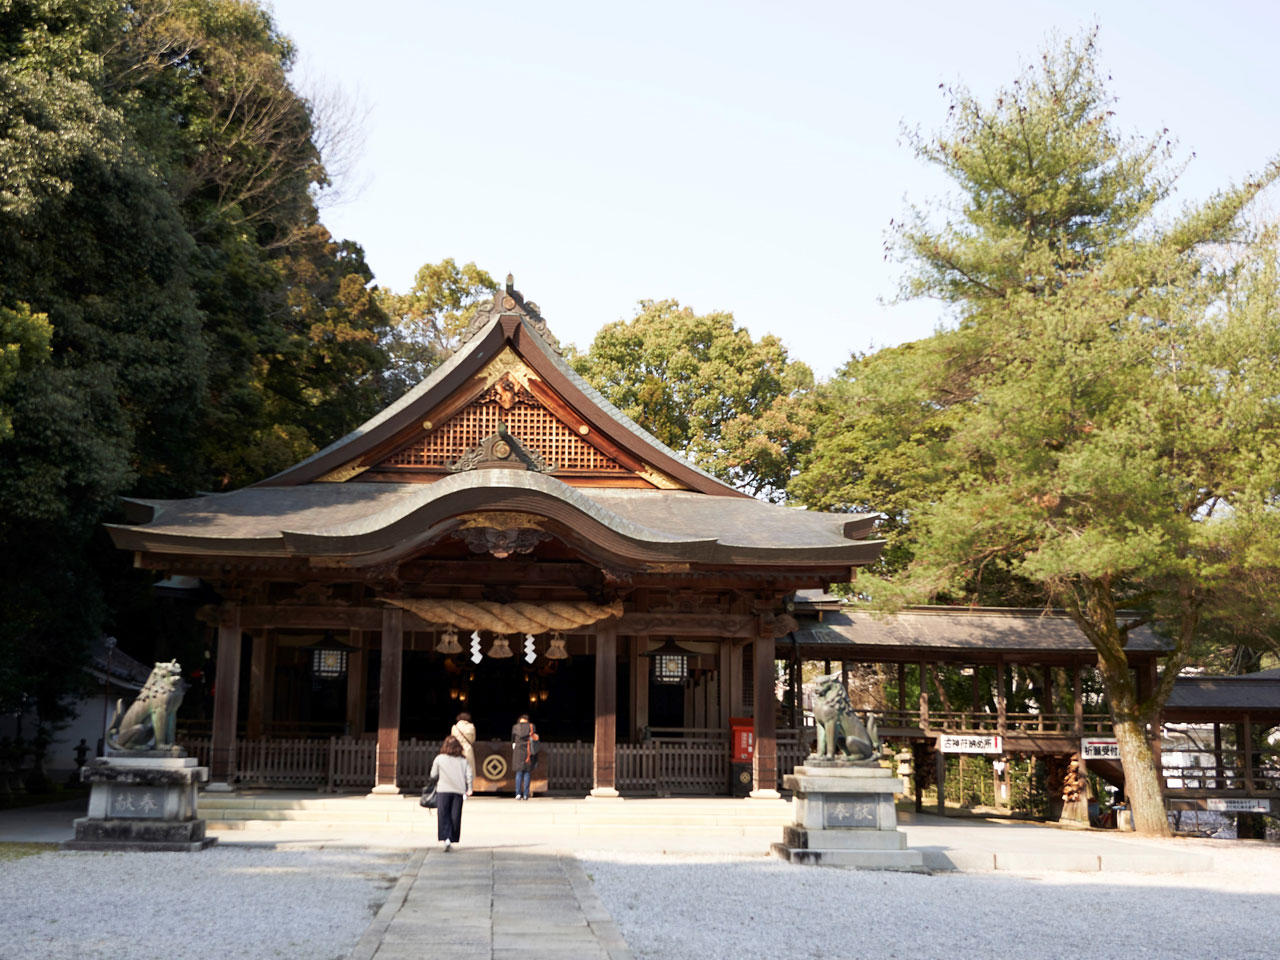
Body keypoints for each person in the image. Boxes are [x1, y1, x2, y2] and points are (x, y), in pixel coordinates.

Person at [429, 734, 473, 851]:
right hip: (458, 790)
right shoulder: (463, 760)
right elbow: (469, 775)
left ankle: (446, 838)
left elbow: (433, 775)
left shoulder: (439, 759)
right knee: (455, 816)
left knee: (444, 815)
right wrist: (470, 788)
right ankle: (452, 837)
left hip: (443, 790)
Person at [511, 713, 536, 800]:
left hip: (518, 750)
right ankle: (525, 794)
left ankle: (518, 793)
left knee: (519, 772)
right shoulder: (531, 726)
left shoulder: (515, 727)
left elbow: (513, 739)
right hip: (528, 750)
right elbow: (534, 737)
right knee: (527, 773)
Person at [450, 712, 477, 779]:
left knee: (457, 772)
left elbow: (452, 739)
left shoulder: (455, 727)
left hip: (457, 750)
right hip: (468, 749)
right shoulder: (471, 727)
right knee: (468, 770)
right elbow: (473, 740)